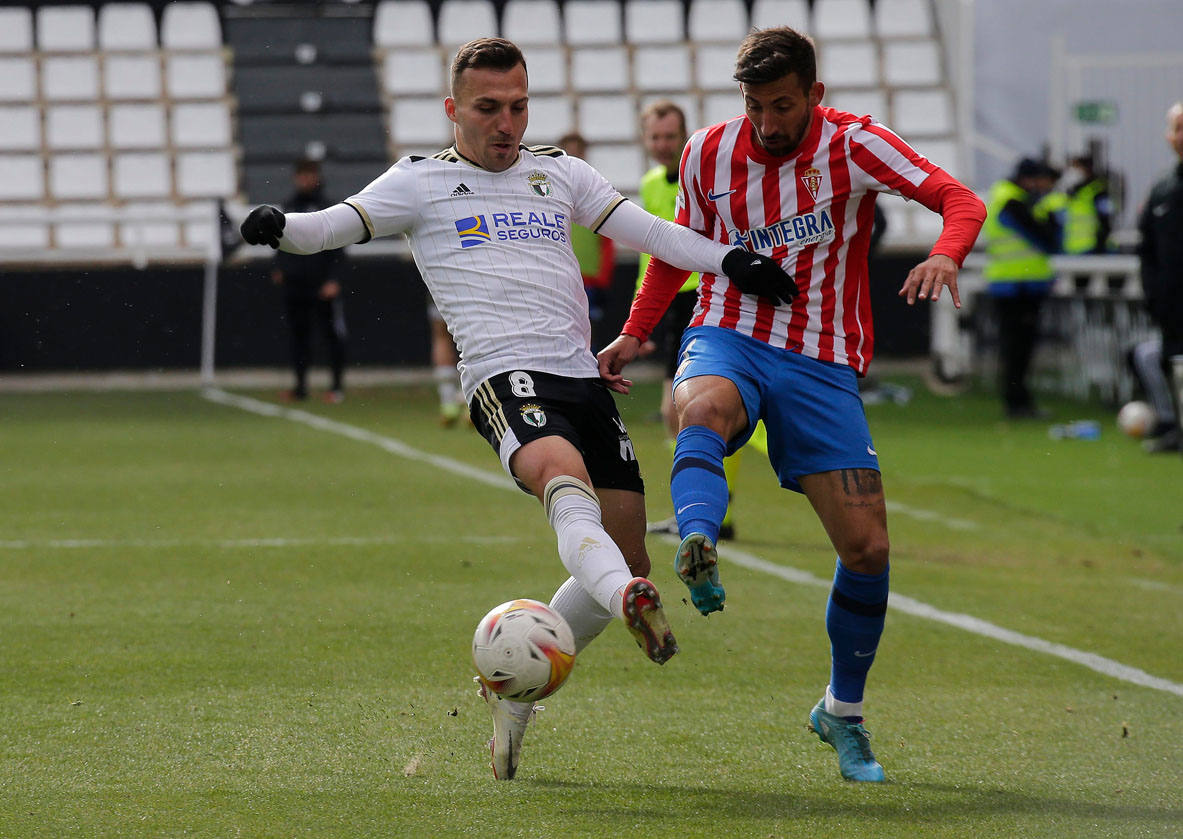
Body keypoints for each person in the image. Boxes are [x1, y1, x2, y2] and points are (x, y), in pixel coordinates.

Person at [239, 38, 796, 780]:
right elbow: (327, 227)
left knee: (624, 542)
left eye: (519, 106)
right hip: (503, 376)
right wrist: (279, 226)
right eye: (488, 108)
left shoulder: (557, 171)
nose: (506, 122)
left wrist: (732, 261)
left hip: (582, 378)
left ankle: (518, 687)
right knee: (563, 483)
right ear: (453, 110)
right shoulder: (417, 182)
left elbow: (649, 233)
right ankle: (630, 594)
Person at [598, 27, 986, 783]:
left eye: (781, 106)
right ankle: (699, 544)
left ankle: (841, 711)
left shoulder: (854, 144)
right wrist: (635, 333)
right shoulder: (706, 154)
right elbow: (676, 250)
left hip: (821, 360)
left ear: (814, 93)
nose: (768, 124)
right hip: (728, 332)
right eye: (754, 106)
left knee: (867, 550)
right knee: (699, 409)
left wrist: (945, 252)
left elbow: (957, 199)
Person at [982, 157, 1062, 418]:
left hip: (1011, 283)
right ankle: (1017, 402)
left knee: (1014, 348)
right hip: (1019, 286)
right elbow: (1045, 239)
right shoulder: (1014, 202)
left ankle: (1017, 400)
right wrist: (1051, 216)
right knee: (1018, 349)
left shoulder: (1003, 196)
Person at [270, 158, 348, 403]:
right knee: (298, 336)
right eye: (301, 175)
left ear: (317, 176)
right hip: (295, 284)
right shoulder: (288, 205)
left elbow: (340, 247)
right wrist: (279, 267)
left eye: (309, 175)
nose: (305, 180)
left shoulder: (328, 207)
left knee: (331, 336)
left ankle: (336, 387)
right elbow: (280, 240)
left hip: (322, 283)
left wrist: (334, 279)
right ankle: (301, 387)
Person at [1135, 101, 1183, 454]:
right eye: (1177, 128)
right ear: (1168, 137)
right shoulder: (1163, 189)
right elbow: (1147, 248)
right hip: (1173, 303)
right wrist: (1155, 294)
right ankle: (1176, 431)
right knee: (1170, 364)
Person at [557, 131, 615, 351]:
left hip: (589, 279)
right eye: (568, 153)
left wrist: (604, 275)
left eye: (577, 153)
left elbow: (608, 238)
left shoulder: (597, 191)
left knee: (589, 334)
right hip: (561, 278)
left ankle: (590, 379)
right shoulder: (548, 192)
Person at [426, 292, 467, 426]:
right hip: (472, 286)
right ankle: (470, 401)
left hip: (443, 282)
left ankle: (448, 403)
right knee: (471, 335)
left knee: (441, 335)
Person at [1061, 153, 1114, 255]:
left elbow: (1105, 220)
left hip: (1092, 248)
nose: (1073, 171)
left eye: (1076, 167)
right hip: (1072, 248)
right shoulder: (1074, 192)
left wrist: (1100, 246)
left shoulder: (1098, 191)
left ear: (1086, 169)